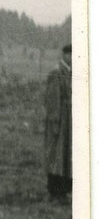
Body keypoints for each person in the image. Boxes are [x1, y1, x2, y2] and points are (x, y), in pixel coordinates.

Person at [44, 42, 73, 203]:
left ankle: (64, 190)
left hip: (68, 120)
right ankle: (55, 192)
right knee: (56, 155)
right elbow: (53, 101)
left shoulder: (69, 73)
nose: (73, 59)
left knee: (66, 156)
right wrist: (55, 124)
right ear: (65, 55)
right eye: (70, 55)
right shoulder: (56, 73)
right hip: (58, 121)